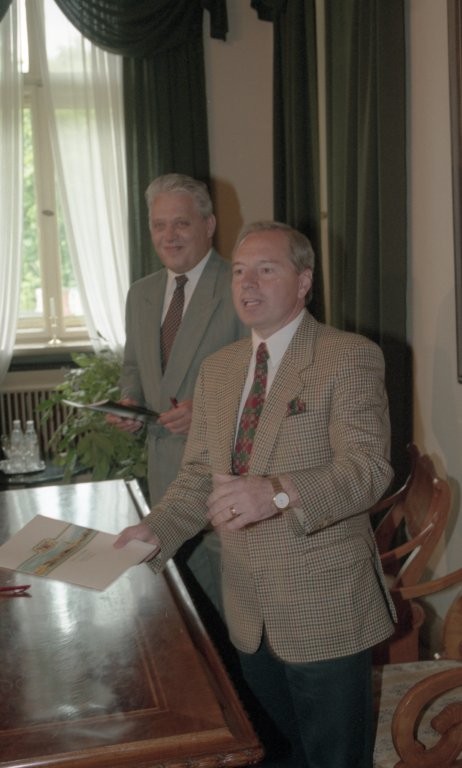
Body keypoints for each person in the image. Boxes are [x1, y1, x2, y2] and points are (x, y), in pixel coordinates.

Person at [115, 221, 396, 767]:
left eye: (266, 269)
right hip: (246, 611)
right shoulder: (218, 371)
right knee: (274, 755)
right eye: (240, 271)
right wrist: (155, 529)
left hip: (324, 608)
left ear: (304, 282)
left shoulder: (348, 357)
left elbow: (368, 469)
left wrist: (278, 493)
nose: (247, 283)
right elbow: (200, 476)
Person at [108, 173, 246, 614]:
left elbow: (269, 378)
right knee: (183, 614)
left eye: (181, 223)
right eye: (159, 225)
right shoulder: (141, 294)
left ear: (209, 225)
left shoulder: (241, 287)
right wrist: (129, 402)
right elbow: (134, 368)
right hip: (163, 482)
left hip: (228, 482)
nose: (169, 236)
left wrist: (205, 411)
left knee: (232, 619)